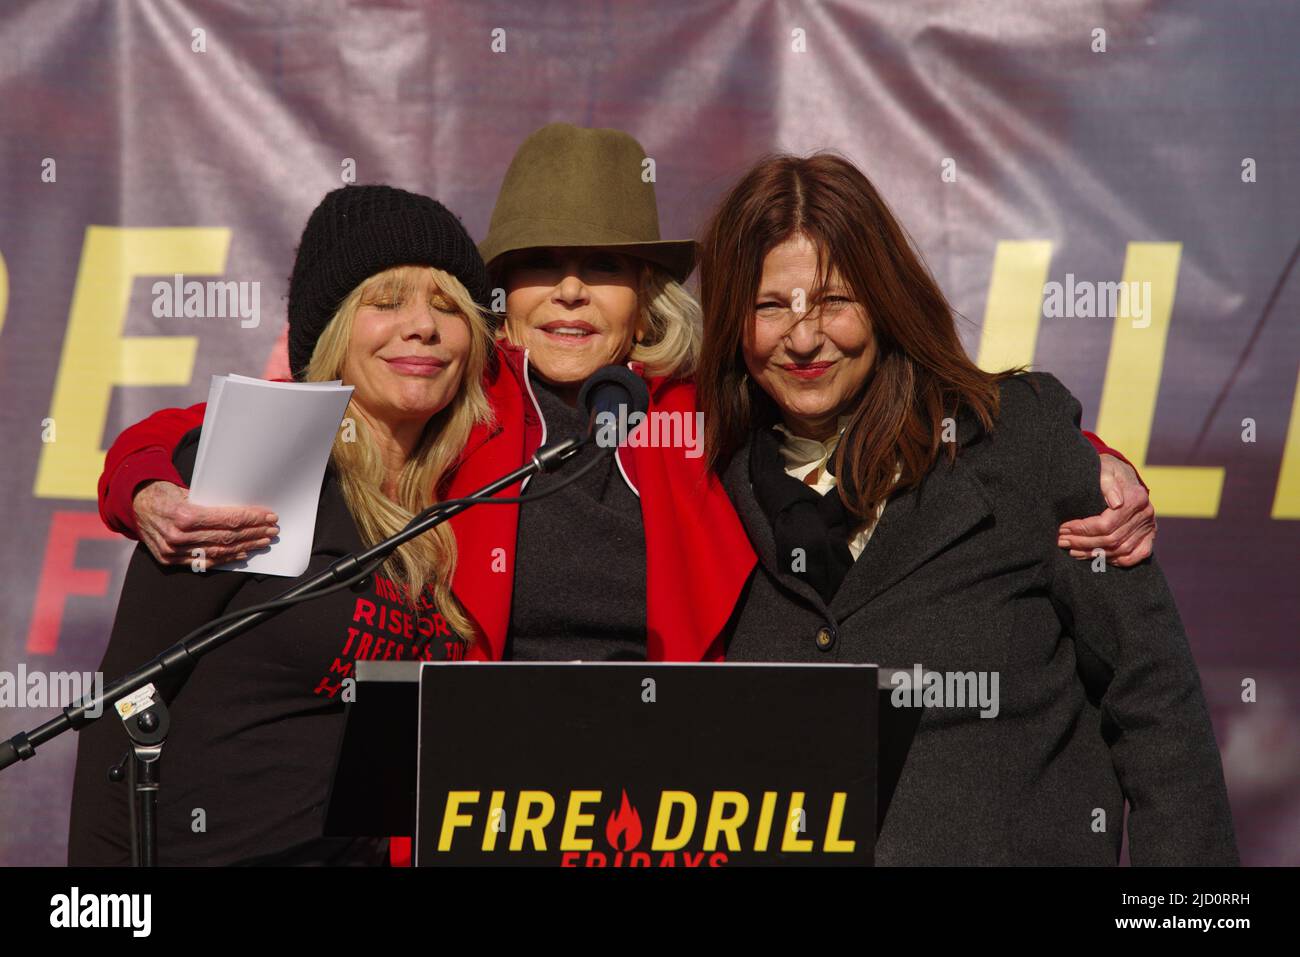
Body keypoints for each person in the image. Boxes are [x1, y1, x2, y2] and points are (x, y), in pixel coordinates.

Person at [695, 153, 1238, 865]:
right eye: (771, 306)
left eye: (833, 300)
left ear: (885, 300)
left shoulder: (1019, 444)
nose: (803, 338)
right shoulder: (705, 480)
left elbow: (1156, 700)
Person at [68, 184, 495, 865]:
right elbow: (121, 711)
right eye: (386, 302)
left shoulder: (466, 492)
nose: (423, 326)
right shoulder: (260, 459)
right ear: (331, 330)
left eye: (448, 307)